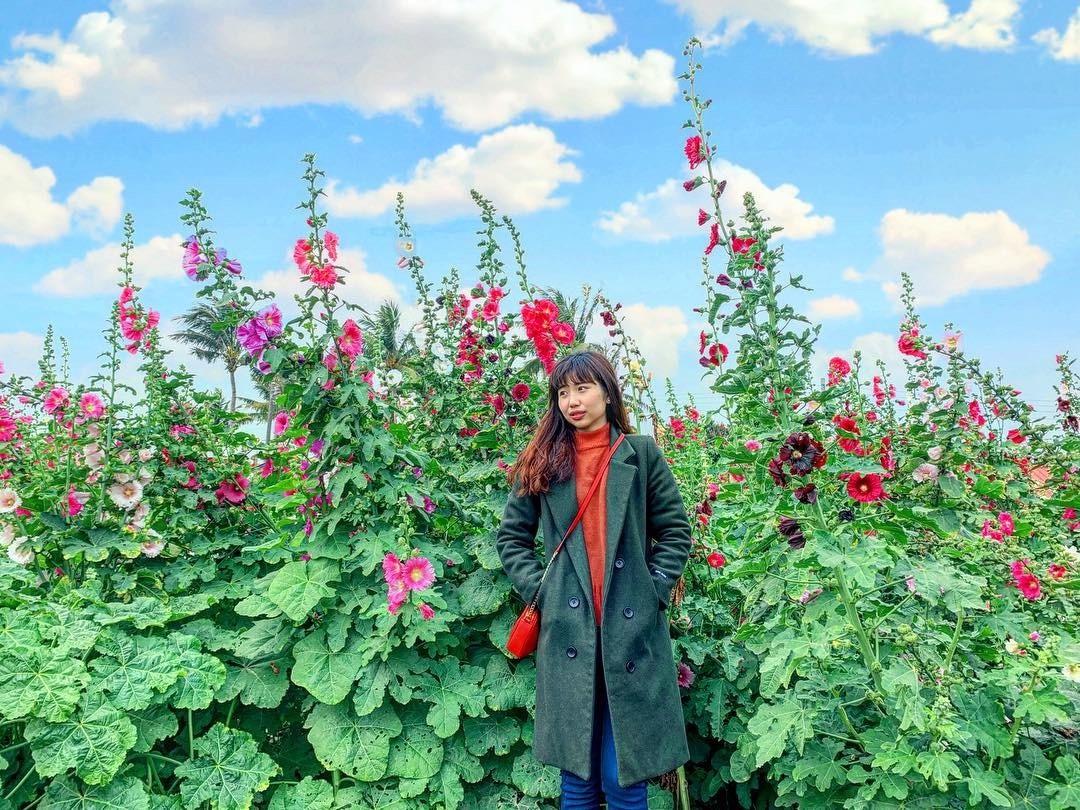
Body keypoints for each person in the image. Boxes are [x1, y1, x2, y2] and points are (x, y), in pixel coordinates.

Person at [496, 350, 692, 809]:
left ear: (607, 392)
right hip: (569, 633)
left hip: (632, 634)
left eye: (583, 388)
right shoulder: (543, 460)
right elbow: (511, 538)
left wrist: (653, 590)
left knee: (622, 775)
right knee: (577, 776)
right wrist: (542, 591)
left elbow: (675, 531)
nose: (572, 401)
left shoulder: (640, 454)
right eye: (563, 393)